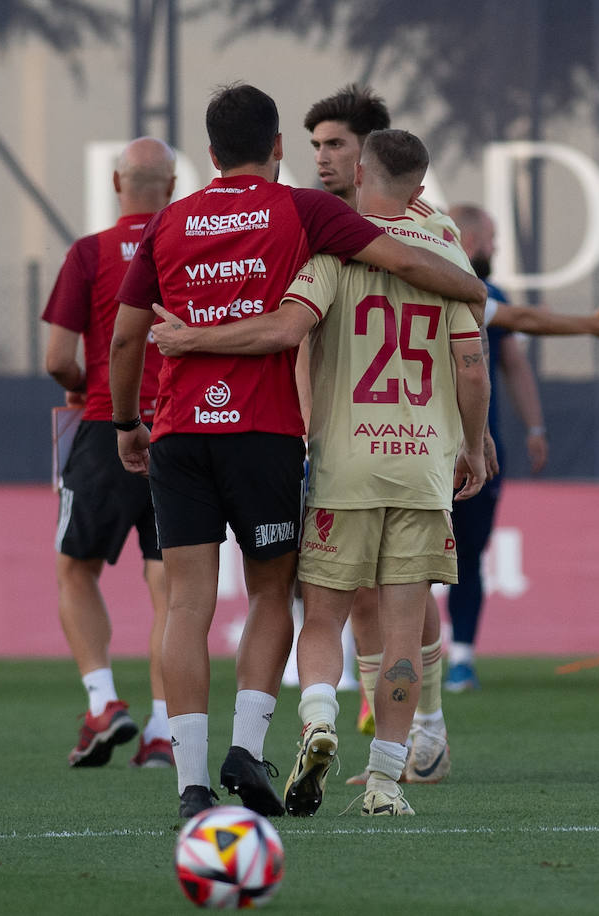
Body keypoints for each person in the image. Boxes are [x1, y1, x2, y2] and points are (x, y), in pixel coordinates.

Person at [107, 83, 490, 819]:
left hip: (187, 429)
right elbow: (409, 272)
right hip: (275, 436)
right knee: (280, 596)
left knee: (187, 604)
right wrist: (471, 290)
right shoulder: (310, 213)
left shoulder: (171, 223)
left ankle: (193, 783)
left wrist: (129, 419)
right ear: (279, 148)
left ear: (209, 155)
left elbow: (128, 337)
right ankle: (257, 751)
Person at [302, 85, 599, 751]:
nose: (323, 159)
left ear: (369, 154)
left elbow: (494, 322)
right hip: (332, 437)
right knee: (367, 596)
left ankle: (423, 725)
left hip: (399, 440)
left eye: (336, 145)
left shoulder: (428, 230)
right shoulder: (316, 223)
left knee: (402, 589)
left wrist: (478, 426)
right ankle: (390, 729)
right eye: (315, 145)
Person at [41, 137, 177, 768]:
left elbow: (56, 359)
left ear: (119, 186)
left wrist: (83, 385)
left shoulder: (90, 252)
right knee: (170, 589)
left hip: (105, 426)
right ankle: (161, 729)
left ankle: (102, 701)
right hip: (181, 429)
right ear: (172, 187)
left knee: (77, 570)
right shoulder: (191, 244)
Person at [442, 204, 548, 694]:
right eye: (489, 239)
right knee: (396, 556)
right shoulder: (424, 290)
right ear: (464, 239)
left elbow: (513, 365)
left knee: (470, 552)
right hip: (421, 447)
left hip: (481, 447)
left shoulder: (493, 297)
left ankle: (461, 657)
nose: (495, 249)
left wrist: (534, 427)